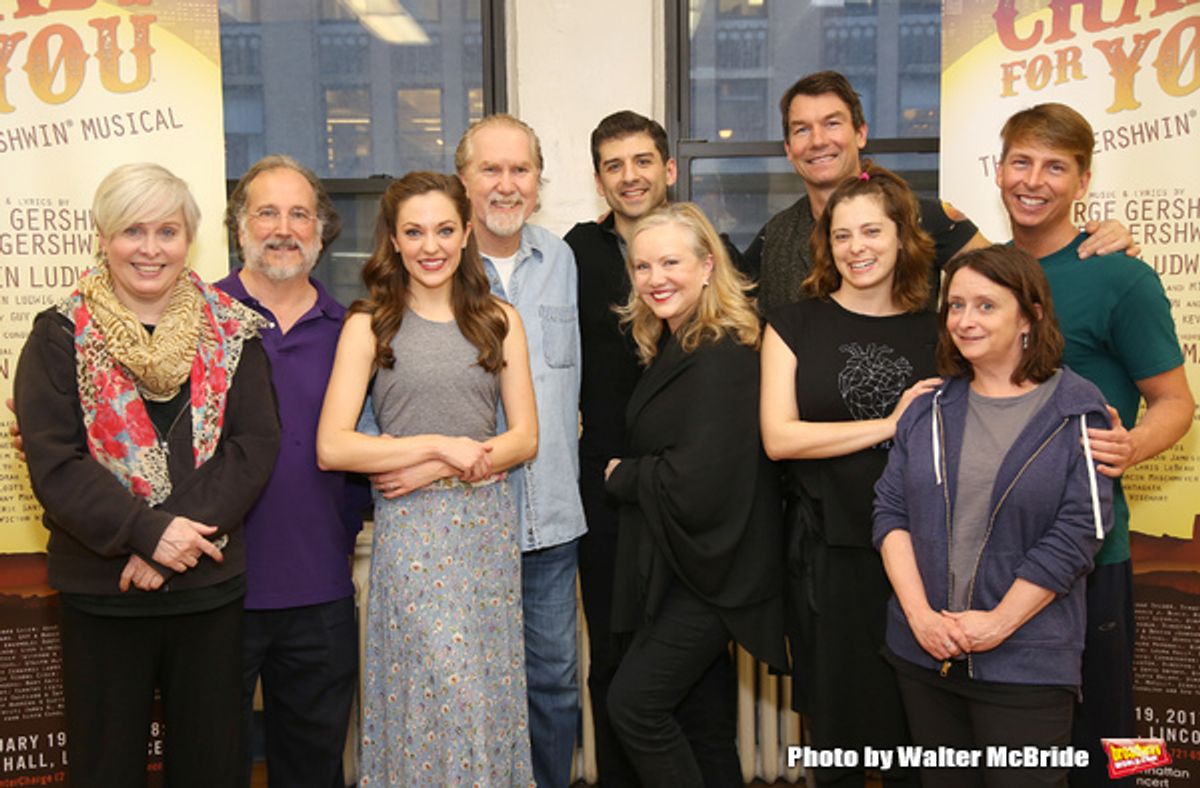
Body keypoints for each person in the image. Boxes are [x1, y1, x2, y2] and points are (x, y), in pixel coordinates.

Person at [13, 162, 281, 787]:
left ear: (189, 239)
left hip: (207, 592)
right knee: (105, 768)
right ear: (104, 238)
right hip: (103, 595)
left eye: (168, 231)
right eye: (134, 231)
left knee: (211, 767)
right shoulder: (57, 335)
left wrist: (164, 546)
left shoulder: (234, 330)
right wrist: (146, 534)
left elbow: (253, 447)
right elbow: (56, 462)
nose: (152, 249)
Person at [994, 103, 1195, 787]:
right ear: (999, 168)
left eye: (1055, 167)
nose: (1034, 180)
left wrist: (1133, 447)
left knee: (1106, 742)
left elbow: (1175, 401)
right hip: (991, 558)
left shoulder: (1121, 277)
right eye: (1021, 160)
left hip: (1089, 555)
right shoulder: (978, 277)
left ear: (1083, 181)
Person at [315, 171, 538, 785]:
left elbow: (525, 438)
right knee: (431, 691)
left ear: (467, 233)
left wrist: (437, 464)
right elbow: (333, 446)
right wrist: (438, 445)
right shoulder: (369, 324)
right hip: (411, 536)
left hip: (485, 530)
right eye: (414, 232)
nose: (430, 246)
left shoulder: (499, 319)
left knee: (483, 697)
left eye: (444, 229)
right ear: (392, 238)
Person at [874, 243, 1114, 788]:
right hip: (924, 657)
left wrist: (998, 624)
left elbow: (1080, 532)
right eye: (955, 306)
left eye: (986, 305)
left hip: (1026, 665)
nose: (965, 320)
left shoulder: (1078, 408)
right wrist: (920, 618)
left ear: (1029, 314)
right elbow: (890, 513)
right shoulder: (929, 408)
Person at [566, 110, 744, 786]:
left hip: (688, 496)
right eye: (614, 165)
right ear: (598, 180)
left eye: (642, 160)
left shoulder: (709, 268)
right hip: (611, 496)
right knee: (617, 666)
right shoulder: (576, 254)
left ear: (669, 169)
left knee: (692, 677)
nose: (629, 175)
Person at [759, 164, 942, 788]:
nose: (857, 248)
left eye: (872, 232)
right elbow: (779, 439)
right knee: (837, 740)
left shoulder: (939, 330)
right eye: (842, 236)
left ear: (901, 238)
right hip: (827, 557)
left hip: (923, 559)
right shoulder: (791, 325)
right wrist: (890, 424)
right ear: (826, 245)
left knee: (916, 737)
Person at [603, 202, 786, 786]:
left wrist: (622, 476)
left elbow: (701, 480)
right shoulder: (678, 345)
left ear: (708, 266)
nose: (656, 279)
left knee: (633, 705)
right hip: (687, 565)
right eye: (642, 267)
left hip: (713, 575)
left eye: (671, 263)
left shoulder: (721, 357)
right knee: (704, 724)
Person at [743, 70, 1136, 315]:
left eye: (832, 124)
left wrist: (1092, 247)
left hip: (910, 433)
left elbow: (1014, 278)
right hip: (799, 439)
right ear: (788, 148)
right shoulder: (775, 235)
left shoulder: (923, 217)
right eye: (801, 129)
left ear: (860, 134)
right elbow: (719, 299)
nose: (818, 141)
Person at [218, 155, 363, 788]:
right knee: (210, 764)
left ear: (322, 229)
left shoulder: (353, 331)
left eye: (299, 213)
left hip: (321, 591)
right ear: (239, 226)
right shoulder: (196, 320)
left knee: (312, 770)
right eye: (267, 212)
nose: (284, 228)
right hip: (216, 589)